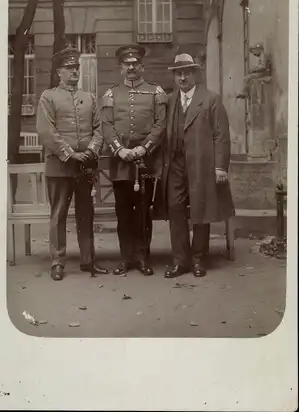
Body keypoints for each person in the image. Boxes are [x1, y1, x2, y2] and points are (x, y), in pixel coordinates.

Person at [36, 46, 109, 281]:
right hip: (59, 166)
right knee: (58, 213)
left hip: (85, 165)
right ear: (59, 72)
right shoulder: (48, 97)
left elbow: (99, 129)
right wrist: (69, 153)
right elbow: (46, 131)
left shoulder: (88, 98)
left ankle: (88, 260)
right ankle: (57, 262)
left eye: (76, 67)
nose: (74, 71)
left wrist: (90, 150)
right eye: (69, 68)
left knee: (86, 213)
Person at [161, 53, 235, 278]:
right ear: (174, 77)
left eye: (186, 73)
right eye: (178, 73)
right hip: (175, 164)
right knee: (175, 209)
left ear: (195, 74)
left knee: (201, 209)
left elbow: (221, 136)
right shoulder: (170, 99)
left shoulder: (211, 99)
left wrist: (220, 167)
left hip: (202, 164)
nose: (182, 78)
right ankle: (180, 260)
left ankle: (198, 259)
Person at [101, 44, 168, 276]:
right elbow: (107, 126)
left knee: (142, 211)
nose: (131, 68)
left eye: (135, 64)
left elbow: (161, 126)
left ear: (142, 66)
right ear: (121, 68)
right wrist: (119, 149)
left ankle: (142, 257)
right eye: (127, 64)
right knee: (123, 212)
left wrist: (144, 149)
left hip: (145, 162)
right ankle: (125, 258)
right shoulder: (110, 94)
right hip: (120, 163)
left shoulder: (156, 92)